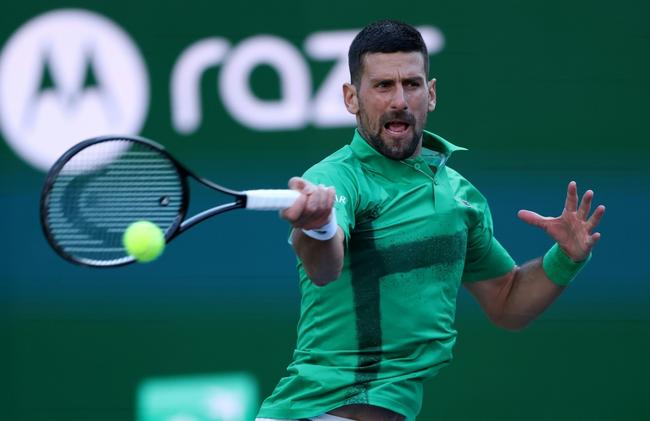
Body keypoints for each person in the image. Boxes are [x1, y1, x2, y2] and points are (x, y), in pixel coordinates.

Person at [256, 20, 605, 421]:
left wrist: (565, 258)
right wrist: (318, 224)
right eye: (383, 85)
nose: (399, 100)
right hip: (317, 414)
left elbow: (507, 302)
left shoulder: (460, 196)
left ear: (432, 93)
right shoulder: (336, 178)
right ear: (351, 98)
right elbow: (323, 267)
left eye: (412, 84)